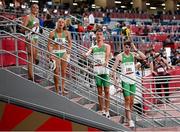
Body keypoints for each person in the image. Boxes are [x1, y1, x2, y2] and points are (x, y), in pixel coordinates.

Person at [113, 40, 146, 128]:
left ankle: (127, 116)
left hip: (133, 81)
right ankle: (130, 120)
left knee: (131, 102)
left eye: (129, 47)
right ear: (123, 47)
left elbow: (144, 57)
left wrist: (135, 49)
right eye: (126, 47)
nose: (127, 49)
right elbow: (113, 69)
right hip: (125, 81)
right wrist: (115, 81)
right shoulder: (120, 56)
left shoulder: (133, 54)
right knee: (127, 100)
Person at [84, 28, 111, 118]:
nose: (99, 36)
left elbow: (107, 55)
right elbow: (88, 53)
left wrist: (106, 62)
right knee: (99, 91)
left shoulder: (107, 46)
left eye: (100, 34)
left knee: (107, 91)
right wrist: (86, 54)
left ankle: (107, 110)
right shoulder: (93, 47)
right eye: (97, 34)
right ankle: (102, 110)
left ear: (103, 36)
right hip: (97, 71)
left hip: (105, 71)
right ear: (95, 36)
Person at [47, 18, 72, 95]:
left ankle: (63, 88)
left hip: (63, 52)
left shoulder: (67, 33)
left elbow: (70, 43)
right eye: (59, 22)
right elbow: (49, 44)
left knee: (64, 72)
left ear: (64, 24)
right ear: (57, 23)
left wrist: (69, 48)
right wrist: (50, 54)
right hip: (55, 52)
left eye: (62, 22)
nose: (61, 23)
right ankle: (57, 89)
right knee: (56, 72)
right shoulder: (52, 33)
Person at [22, 3, 40, 81]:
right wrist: (32, 26)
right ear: (31, 8)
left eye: (37, 8)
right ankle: (31, 77)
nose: (35, 9)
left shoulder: (37, 19)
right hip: (29, 38)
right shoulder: (27, 17)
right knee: (31, 57)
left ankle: (32, 74)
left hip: (36, 38)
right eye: (34, 7)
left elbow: (37, 30)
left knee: (34, 57)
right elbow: (22, 29)